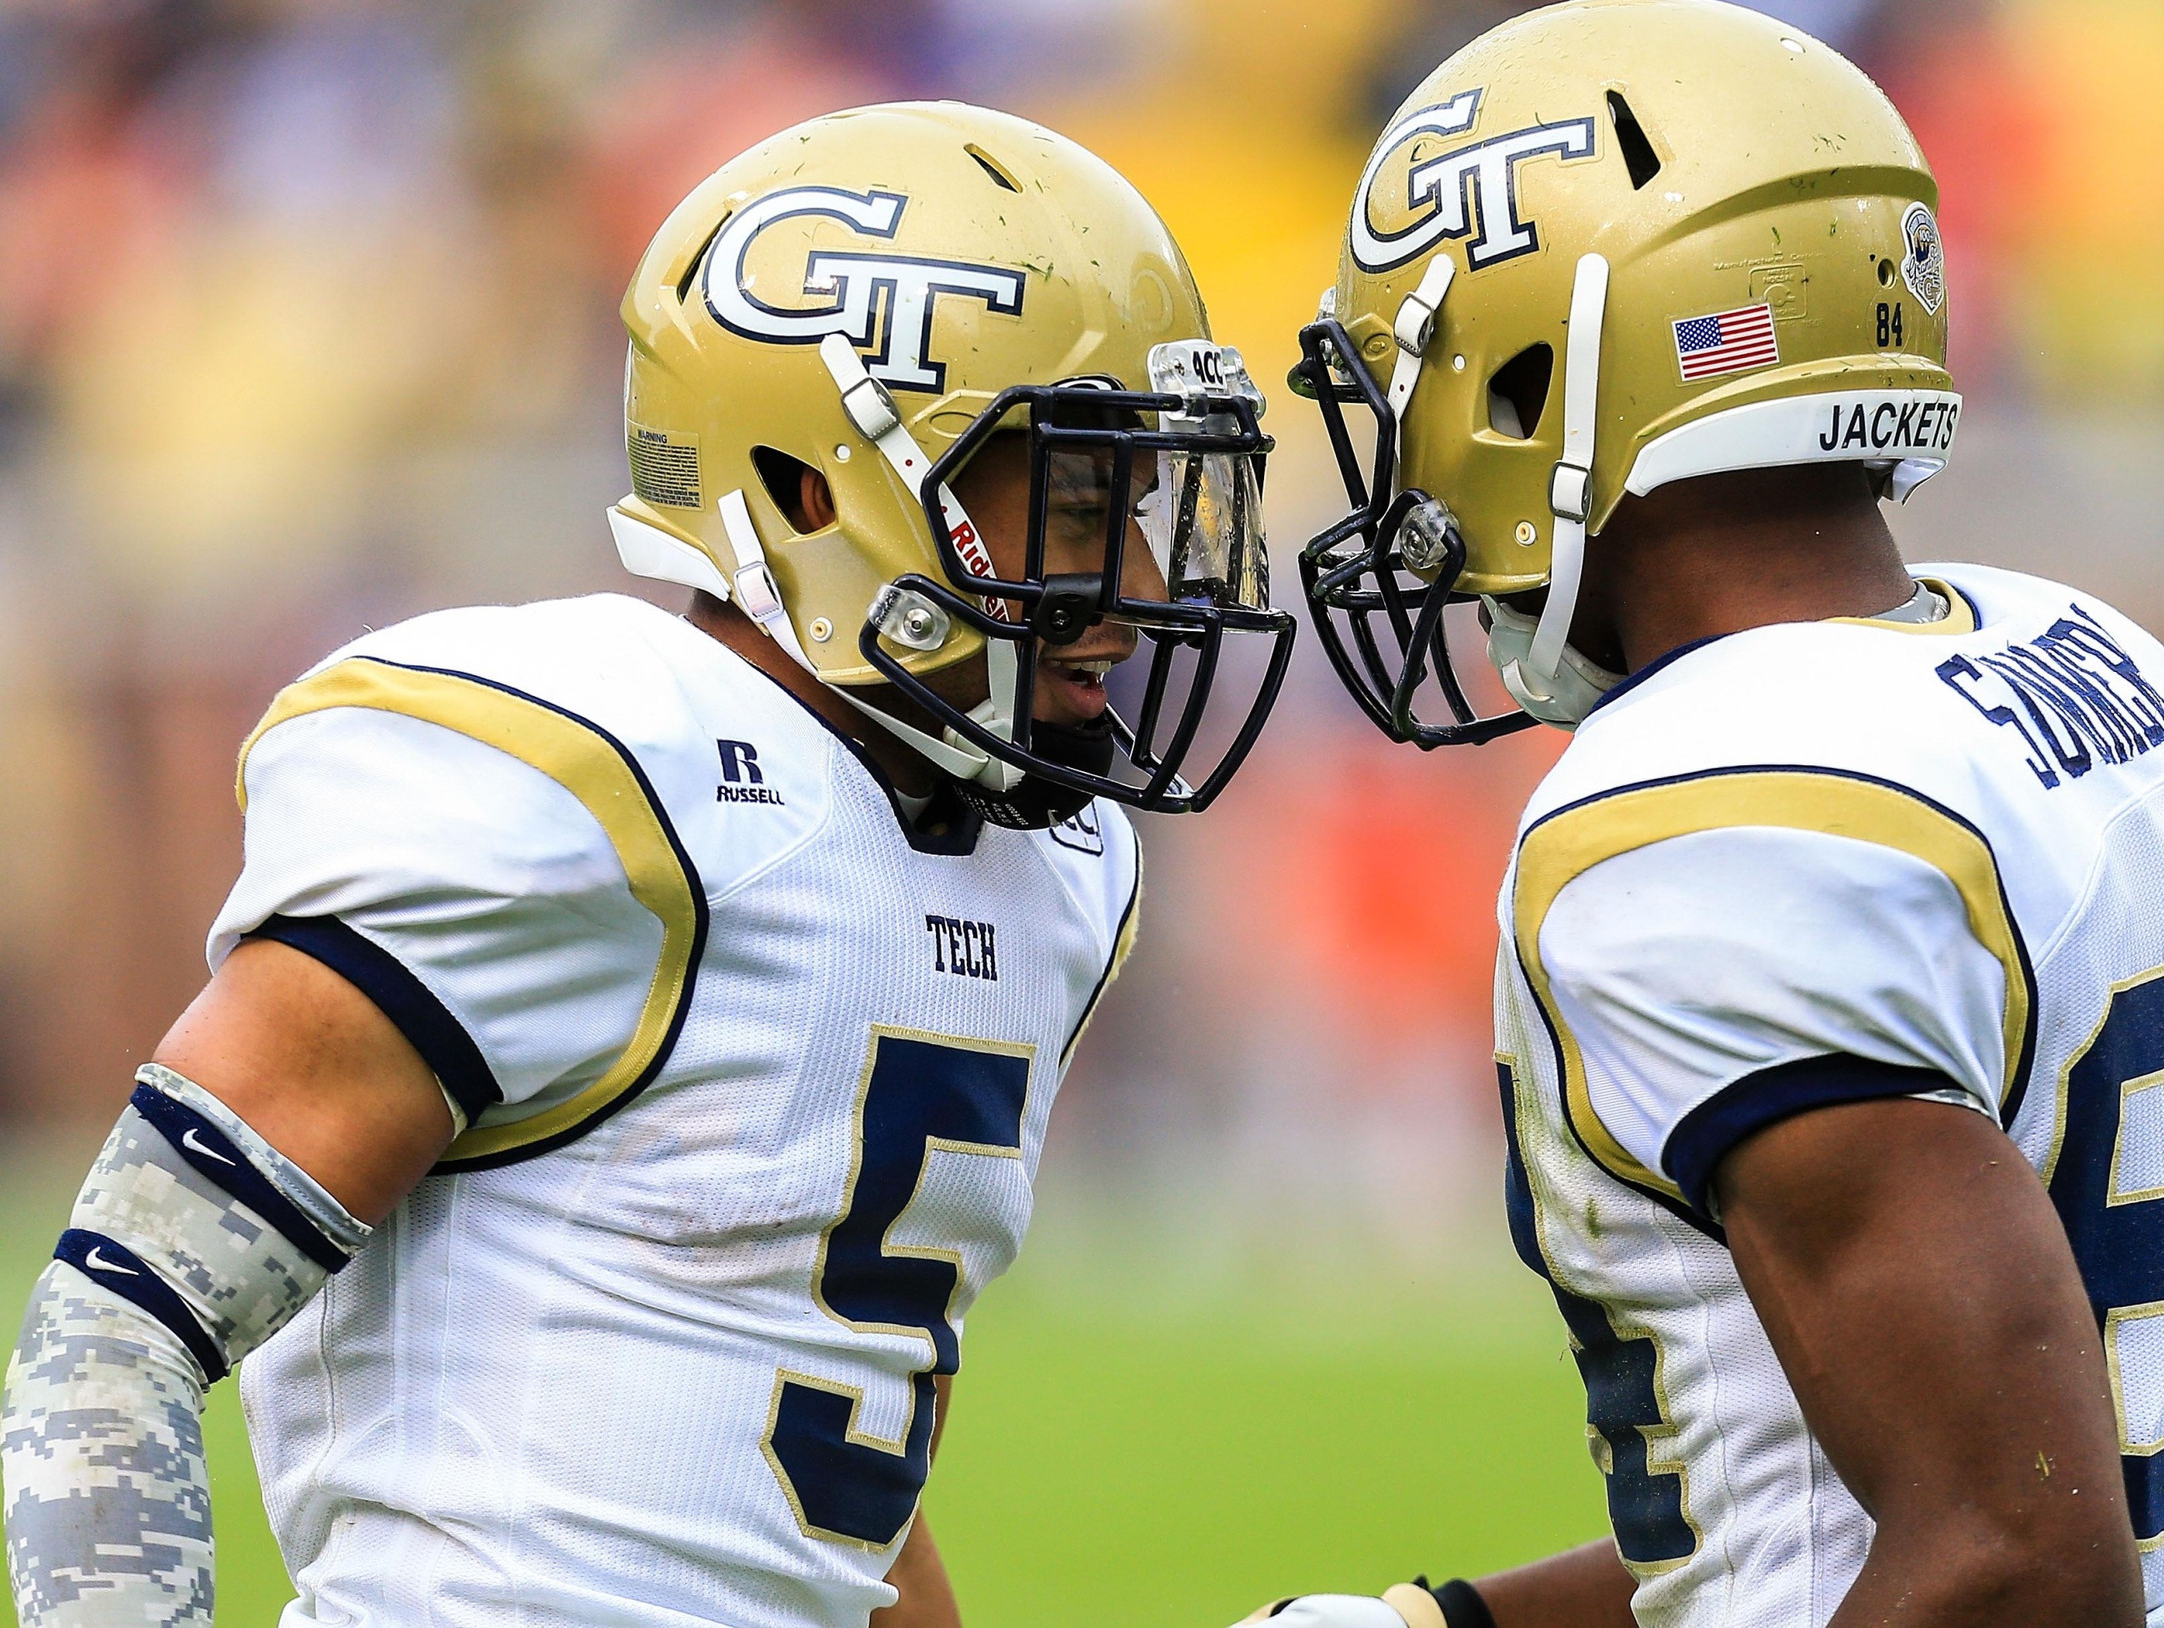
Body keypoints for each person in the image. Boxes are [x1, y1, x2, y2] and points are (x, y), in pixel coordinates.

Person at [3, 101, 1291, 1628]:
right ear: (820, 493)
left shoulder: (1056, 872)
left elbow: (811, 1436)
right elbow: (113, 1325)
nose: (1137, 593)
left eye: (1138, 508)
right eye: (1080, 508)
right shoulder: (596, 783)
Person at [1260, 0, 2164, 1628]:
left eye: (1432, 382)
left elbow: (2015, 1561)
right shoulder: (2068, 654)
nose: (1417, 472)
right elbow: (1841, 1511)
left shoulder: (1708, 813)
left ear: (1552, 380)